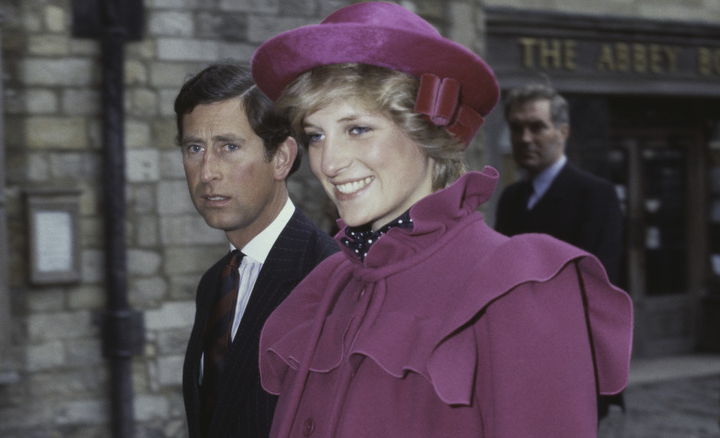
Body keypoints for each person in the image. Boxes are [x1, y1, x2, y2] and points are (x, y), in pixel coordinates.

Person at [250, 2, 633, 437]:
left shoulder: (519, 286)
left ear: (428, 135)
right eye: (315, 135)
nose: (329, 162)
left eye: (357, 129)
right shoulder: (327, 284)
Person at [175, 64, 339, 438]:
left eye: (229, 147)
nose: (206, 172)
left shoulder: (327, 275)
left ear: (281, 158)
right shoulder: (214, 283)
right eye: (194, 148)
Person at [495, 83, 624, 285]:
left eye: (537, 127)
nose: (525, 138)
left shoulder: (596, 195)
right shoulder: (511, 197)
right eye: (516, 128)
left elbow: (598, 284)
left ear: (562, 132)